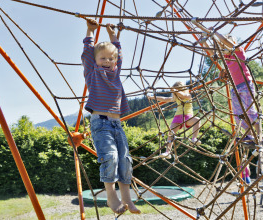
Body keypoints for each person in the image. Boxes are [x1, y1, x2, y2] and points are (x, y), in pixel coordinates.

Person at [80, 18, 140, 215]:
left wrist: (112, 34)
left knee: (125, 159)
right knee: (111, 157)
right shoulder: (92, 72)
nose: (107, 61)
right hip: (101, 123)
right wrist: (90, 31)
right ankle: (110, 196)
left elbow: (118, 51)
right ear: (96, 61)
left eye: (110, 59)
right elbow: (87, 52)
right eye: (103, 58)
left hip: (117, 124)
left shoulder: (116, 72)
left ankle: (127, 198)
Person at [192, 20, 263, 142]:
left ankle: (261, 137)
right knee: (239, 114)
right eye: (222, 46)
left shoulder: (239, 51)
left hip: (246, 85)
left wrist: (215, 33)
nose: (223, 47)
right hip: (235, 88)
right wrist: (204, 41)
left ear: (233, 43)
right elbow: (212, 53)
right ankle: (250, 135)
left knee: (250, 112)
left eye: (224, 45)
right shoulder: (226, 57)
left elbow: (227, 43)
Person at [148, 81, 201, 159]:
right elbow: (165, 99)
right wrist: (153, 97)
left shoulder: (188, 95)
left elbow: (183, 95)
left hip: (188, 116)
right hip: (178, 117)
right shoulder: (176, 96)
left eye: (177, 91)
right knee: (171, 132)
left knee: (197, 120)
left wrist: (174, 90)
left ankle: (194, 139)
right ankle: (167, 152)